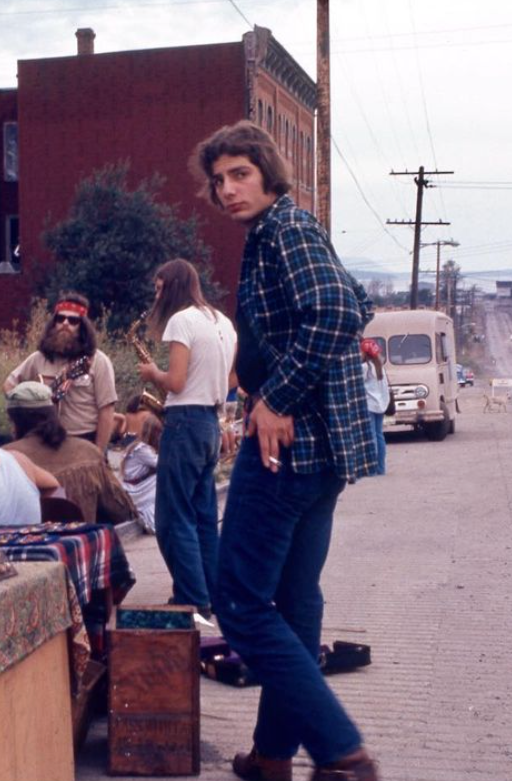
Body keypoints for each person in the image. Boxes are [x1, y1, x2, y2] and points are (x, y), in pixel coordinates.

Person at [190, 121, 380, 781]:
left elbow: (337, 313)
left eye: (240, 173)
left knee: (240, 605)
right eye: (218, 180)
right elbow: (356, 298)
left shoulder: (286, 230)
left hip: (288, 450)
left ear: (269, 173)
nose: (227, 189)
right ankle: (273, 754)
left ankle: (341, 751)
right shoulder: (284, 232)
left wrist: (277, 398)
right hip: (322, 455)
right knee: (296, 602)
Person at [137, 258, 237, 619]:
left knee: (173, 518)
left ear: (173, 286)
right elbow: (233, 379)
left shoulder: (181, 320)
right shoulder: (222, 321)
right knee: (204, 517)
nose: (156, 296)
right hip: (210, 422)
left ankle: (191, 598)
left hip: (185, 422)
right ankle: (213, 595)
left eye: (159, 288)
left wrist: (153, 373)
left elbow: (176, 382)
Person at [3, 381, 135, 525]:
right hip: (80, 537)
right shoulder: (87, 452)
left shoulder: (3, 458)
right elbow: (123, 512)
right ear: (53, 413)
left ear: (15, 421)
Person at [4, 293, 118, 451]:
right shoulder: (39, 358)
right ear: (53, 323)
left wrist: (99, 451)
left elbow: (106, 410)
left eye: (73, 321)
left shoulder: (98, 361)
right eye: (60, 318)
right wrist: (22, 411)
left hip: (83, 441)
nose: (65, 323)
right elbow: (9, 385)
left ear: (83, 327)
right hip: (44, 440)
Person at [120, 413, 162, 533]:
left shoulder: (139, 446)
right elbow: (161, 464)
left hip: (135, 487)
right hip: (134, 490)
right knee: (160, 478)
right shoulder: (142, 449)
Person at [361, 338, 390, 476]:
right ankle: (381, 468)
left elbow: (357, 384)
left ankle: (371, 469)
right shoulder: (379, 366)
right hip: (381, 404)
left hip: (369, 404)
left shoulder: (365, 367)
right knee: (379, 435)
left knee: (370, 436)